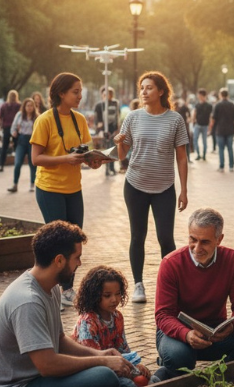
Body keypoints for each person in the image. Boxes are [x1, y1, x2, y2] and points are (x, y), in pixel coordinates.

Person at [0, 221, 134, 387]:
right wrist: (102, 362)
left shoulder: (50, 287)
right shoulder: (27, 300)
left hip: (36, 381)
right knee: (104, 378)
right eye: (77, 258)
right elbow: (47, 365)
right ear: (59, 260)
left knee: (106, 376)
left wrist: (100, 354)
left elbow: (60, 339)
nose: (80, 264)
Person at [154, 208, 234, 378]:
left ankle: (221, 375)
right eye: (193, 239)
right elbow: (163, 315)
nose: (197, 248)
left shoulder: (233, 260)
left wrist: (232, 325)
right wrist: (186, 334)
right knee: (180, 356)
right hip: (176, 331)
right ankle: (170, 368)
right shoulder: (171, 263)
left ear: (219, 239)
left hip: (215, 331)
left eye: (204, 242)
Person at [30, 72, 105, 306]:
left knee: (75, 241)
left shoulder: (79, 119)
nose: (80, 96)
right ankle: (53, 289)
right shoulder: (44, 120)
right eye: (75, 92)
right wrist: (66, 159)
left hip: (74, 188)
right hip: (49, 188)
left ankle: (68, 289)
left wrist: (93, 161)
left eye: (81, 92)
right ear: (61, 93)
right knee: (58, 242)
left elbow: (83, 154)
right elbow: (36, 158)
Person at [114, 71, 189, 305]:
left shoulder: (175, 119)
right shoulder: (133, 117)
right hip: (135, 184)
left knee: (165, 238)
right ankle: (138, 284)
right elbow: (123, 155)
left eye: (149, 88)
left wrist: (184, 190)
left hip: (165, 187)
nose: (144, 92)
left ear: (161, 91)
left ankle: (170, 285)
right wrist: (118, 144)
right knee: (138, 235)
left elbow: (182, 158)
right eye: (142, 88)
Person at [71, 265, 157, 387]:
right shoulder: (88, 322)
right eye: (107, 295)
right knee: (130, 386)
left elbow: (123, 348)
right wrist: (130, 371)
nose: (114, 299)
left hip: (119, 366)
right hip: (98, 372)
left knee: (152, 380)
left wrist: (136, 365)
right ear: (94, 295)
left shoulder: (117, 316)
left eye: (118, 294)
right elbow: (93, 360)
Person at [8, 98, 38, 193]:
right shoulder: (19, 115)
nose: (29, 108)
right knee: (17, 163)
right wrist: (14, 132)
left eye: (31, 106)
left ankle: (32, 184)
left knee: (32, 164)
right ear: (24, 107)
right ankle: (15, 184)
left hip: (32, 141)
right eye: (27, 106)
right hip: (21, 140)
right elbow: (13, 127)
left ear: (34, 107)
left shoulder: (37, 116)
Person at [94, 87, 121, 176]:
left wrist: (118, 129)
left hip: (113, 130)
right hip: (103, 131)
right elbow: (97, 120)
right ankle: (106, 169)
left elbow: (118, 117)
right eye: (105, 94)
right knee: (105, 150)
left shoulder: (115, 103)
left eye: (109, 94)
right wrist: (99, 130)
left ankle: (112, 168)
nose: (107, 96)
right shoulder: (99, 105)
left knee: (112, 149)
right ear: (102, 95)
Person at [210, 88, 234, 172]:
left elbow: (213, 118)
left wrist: (211, 127)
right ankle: (231, 166)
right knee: (230, 148)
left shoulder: (217, 105)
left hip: (220, 129)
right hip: (230, 129)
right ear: (227, 95)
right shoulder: (232, 105)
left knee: (221, 149)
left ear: (220, 95)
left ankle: (221, 166)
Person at [0, 90, 21, 172]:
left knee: (4, 146)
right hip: (15, 128)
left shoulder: (3, 105)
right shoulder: (19, 105)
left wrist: (0, 126)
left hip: (7, 127)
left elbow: (0, 117)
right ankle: (17, 163)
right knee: (17, 147)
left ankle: (1, 165)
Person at [192, 89, 212, 161]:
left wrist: (210, 127)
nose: (198, 96)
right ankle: (198, 154)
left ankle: (204, 155)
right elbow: (194, 114)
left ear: (203, 96)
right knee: (195, 139)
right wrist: (193, 122)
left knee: (204, 142)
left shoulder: (209, 105)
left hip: (205, 125)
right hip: (197, 125)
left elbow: (210, 117)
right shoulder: (197, 105)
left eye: (199, 95)